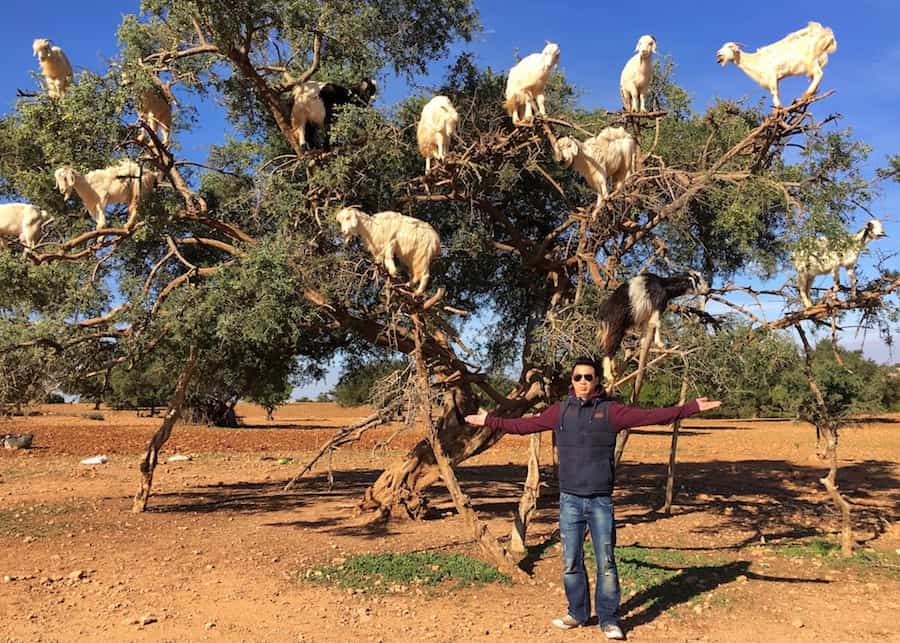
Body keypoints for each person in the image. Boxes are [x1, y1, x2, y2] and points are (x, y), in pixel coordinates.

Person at [465, 357, 721, 640]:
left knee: (606, 563)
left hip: (600, 501)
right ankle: (577, 613)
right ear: (572, 381)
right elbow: (524, 426)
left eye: (588, 377)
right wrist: (490, 420)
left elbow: (652, 416)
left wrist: (691, 408)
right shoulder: (559, 412)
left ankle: (609, 619)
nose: (583, 382)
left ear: (597, 380)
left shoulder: (611, 412)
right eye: (578, 377)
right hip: (569, 501)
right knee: (571, 562)